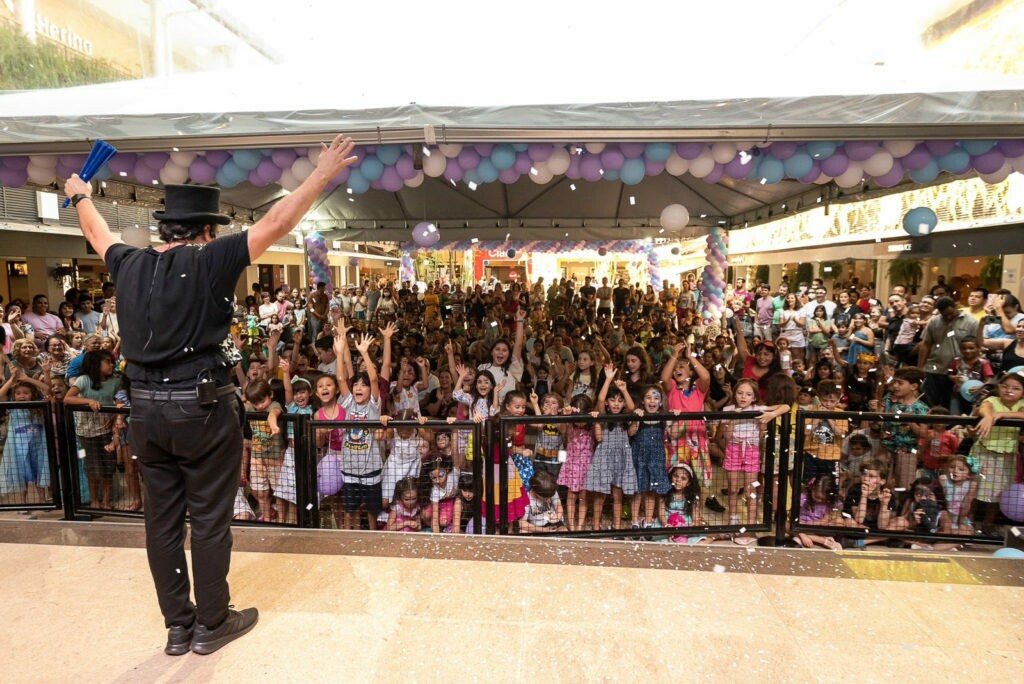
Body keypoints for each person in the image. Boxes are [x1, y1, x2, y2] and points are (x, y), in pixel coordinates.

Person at [63, 133, 358, 656]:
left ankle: (178, 625)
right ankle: (212, 623)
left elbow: (96, 230)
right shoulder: (209, 260)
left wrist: (81, 193)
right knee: (209, 518)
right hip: (201, 409)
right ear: (204, 232)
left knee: (162, 522)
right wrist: (321, 174)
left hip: (145, 413)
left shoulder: (128, 263)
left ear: (164, 230)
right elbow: (276, 223)